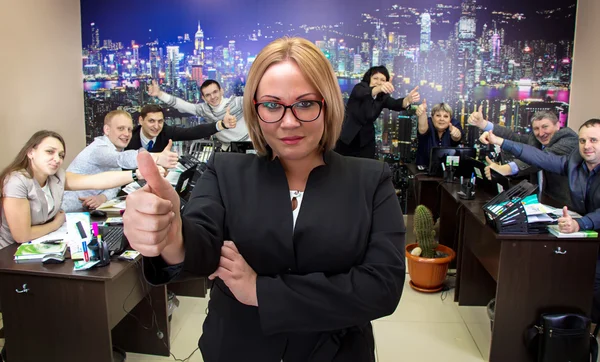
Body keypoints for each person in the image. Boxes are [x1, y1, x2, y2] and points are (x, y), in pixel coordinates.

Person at [123, 37, 406, 362]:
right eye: (272, 105)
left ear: (328, 104)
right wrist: (172, 234)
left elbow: (381, 287)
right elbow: (202, 244)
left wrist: (260, 291)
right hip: (237, 348)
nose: (288, 121)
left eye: (305, 103)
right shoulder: (225, 170)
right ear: (254, 110)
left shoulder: (371, 180)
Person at [480, 119, 600, 322]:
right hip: (586, 237)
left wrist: (581, 223)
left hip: (588, 231)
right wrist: (499, 141)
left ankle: (582, 331)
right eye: (582, 140)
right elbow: (539, 157)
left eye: (593, 140)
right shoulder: (575, 162)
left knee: (592, 284)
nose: (586, 146)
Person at [0, 130, 156, 248]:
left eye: (61, 155)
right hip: (11, 254)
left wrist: (137, 174)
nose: (57, 159)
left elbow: (95, 181)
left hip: (42, 245)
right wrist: (57, 223)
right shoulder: (16, 181)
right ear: (30, 152)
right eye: (49, 152)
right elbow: (22, 235)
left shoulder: (56, 176)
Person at [62, 110, 173, 212]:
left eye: (129, 129)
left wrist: (102, 198)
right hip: (66, 211)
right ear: (107, 130)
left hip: (86, 211)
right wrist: (157, 157)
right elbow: (121, 159)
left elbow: (115, 185)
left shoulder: (116, 149)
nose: (126, 134)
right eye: (121, 128)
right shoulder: (98, 148)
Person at [468, 108, 577, 209]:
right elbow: (513, 137)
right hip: (540, 203)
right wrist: (483, 124)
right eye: (536, 129)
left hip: (563, 206)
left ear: (557, 125)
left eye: (545, 127)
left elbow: (540, 159)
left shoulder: (568, 139)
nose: (541, 133)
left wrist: (504, 169)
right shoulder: (535, 139)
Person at [336, 66, 420, 159]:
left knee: (365, 169)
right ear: (369, 79)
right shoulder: (360, 88)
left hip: (366, 141)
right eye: (375, 78)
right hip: (347, 138)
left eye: (382, 80)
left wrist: (407, 100)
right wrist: (379, 88)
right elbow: (363, 93)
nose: (379, 82)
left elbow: (396, 104)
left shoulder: (383, 98)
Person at [148, 79, 249, 148]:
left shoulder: (238, 102)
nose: (213, 97)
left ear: (221, 91)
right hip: (228, 148)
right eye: (208, 95)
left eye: (215, 92)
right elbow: (182, 105)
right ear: (203, 98)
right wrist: (160, 94)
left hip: (250, 144)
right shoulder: (204, 109)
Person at [125, 104, 237, 152]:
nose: (156, 126)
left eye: (160, 121)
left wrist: (221, 124)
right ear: (140, 120)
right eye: (151, 121)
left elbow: (192, 132)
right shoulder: (128, 138)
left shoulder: (165, 132)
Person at [415, 100, 463, 167]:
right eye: (438, 115)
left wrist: (456, 134)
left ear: (450, 119)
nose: (441, 119)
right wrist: (422, 113)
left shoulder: (454, 124)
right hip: (423, 170)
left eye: (446, 116)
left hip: (448, 170)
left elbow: (457, 137)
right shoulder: (428, 122)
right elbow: (422, 129)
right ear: (432, 117)